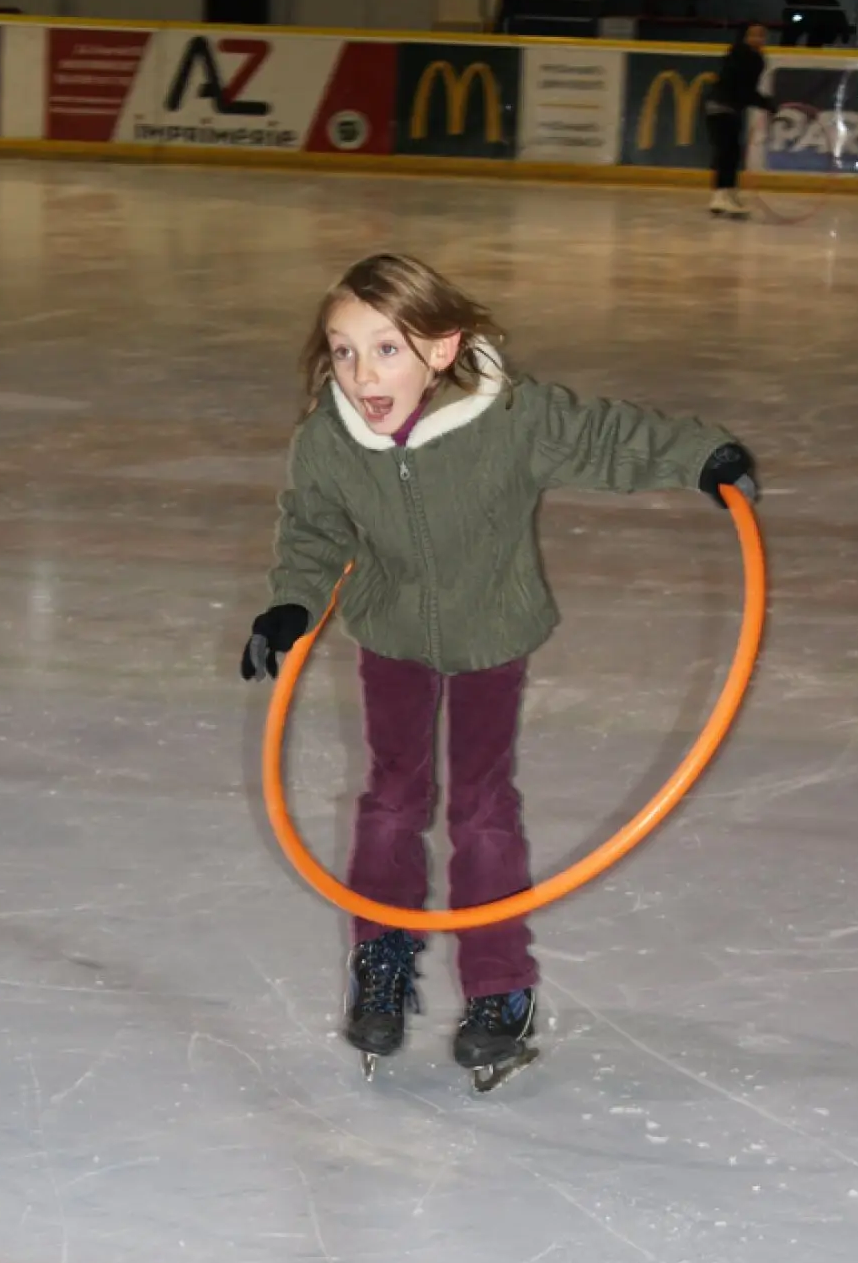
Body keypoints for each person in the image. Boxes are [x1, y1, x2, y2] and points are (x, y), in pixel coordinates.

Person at [240, 254, 758, 1085]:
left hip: (492, 632)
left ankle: (499, 991)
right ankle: (381, 954)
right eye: (342, 351)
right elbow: (312, 533)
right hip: (393, 632)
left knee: (481, 808)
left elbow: (605, 435)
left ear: (442, 349)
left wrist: (703, 456)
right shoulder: (329, 442)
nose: (360, 373)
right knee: (390, 798)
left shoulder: (511, 416)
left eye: (385, 349)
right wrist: (290, 605)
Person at [706, 21, 779, 219]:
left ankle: (725, 193)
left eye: (761, 35)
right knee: (728, 152)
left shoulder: (742, 55)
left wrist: (764, 102)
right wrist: (766, 104)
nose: (758, 39)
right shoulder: (749, 57)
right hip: (724, 107)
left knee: (729, 151)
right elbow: (744, 90)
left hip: (720, 106)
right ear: (744, 37)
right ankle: (722, 195)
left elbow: (744, 90)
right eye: (753, 35)